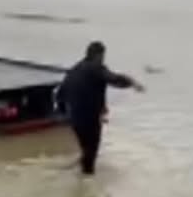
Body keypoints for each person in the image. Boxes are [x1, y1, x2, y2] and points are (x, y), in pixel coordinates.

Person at [56, 41, 144, 175]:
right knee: (91, 152)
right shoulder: (96, 67)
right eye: (103, 56)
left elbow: (60, 94)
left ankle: (80, 169)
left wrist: (64, 114)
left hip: (75, 118)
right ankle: (87, 182)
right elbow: (113, 79)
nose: (103, 59)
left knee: (86, 148)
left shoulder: (74, 69)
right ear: (99, 55)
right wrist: (132, 82)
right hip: (89, 118)